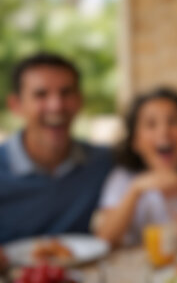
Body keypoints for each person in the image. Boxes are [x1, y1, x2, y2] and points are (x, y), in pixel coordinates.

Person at [0, 53, 113, 244]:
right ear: (16, 105)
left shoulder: (103, 161)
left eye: (66, 93)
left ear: (79, 100)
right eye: (41, 95)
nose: (56, 105)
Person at [94, 88, 177, 246]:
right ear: (135, 141)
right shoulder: (123, 179)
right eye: (151, 124)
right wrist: (136, 189)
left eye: (174, 122)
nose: (164, 131)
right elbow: (105, 239)